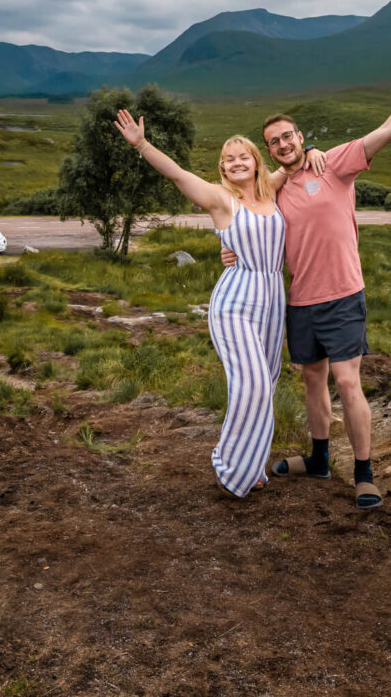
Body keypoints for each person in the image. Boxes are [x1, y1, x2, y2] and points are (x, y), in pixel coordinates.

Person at [221, 50, 391, 509]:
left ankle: (365, 474)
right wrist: (229, 249)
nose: (284, 144)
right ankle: (319, 458)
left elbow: (390, 129)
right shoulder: (274, 188)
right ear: (268, 150)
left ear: (301, 137)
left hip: (344, 293)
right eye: (274, 141)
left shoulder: (336, 164)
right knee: (312, 378)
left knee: (348, 381)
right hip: (301, 300)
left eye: (289, 136)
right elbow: (242, 212)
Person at [113, 109, 326, 498]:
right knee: (253, 385)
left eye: (244, 155)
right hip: (235, 303)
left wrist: (309, 148)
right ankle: (228, 468)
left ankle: (251, 467)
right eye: (229, 159)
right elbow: (177, 174)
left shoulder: (271, 189)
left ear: (256, 162)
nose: (237, 162)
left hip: (272, 303)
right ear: (223, 170)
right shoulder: (220, 199)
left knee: (268, 383)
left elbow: (293, 164)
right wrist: (142, 145)